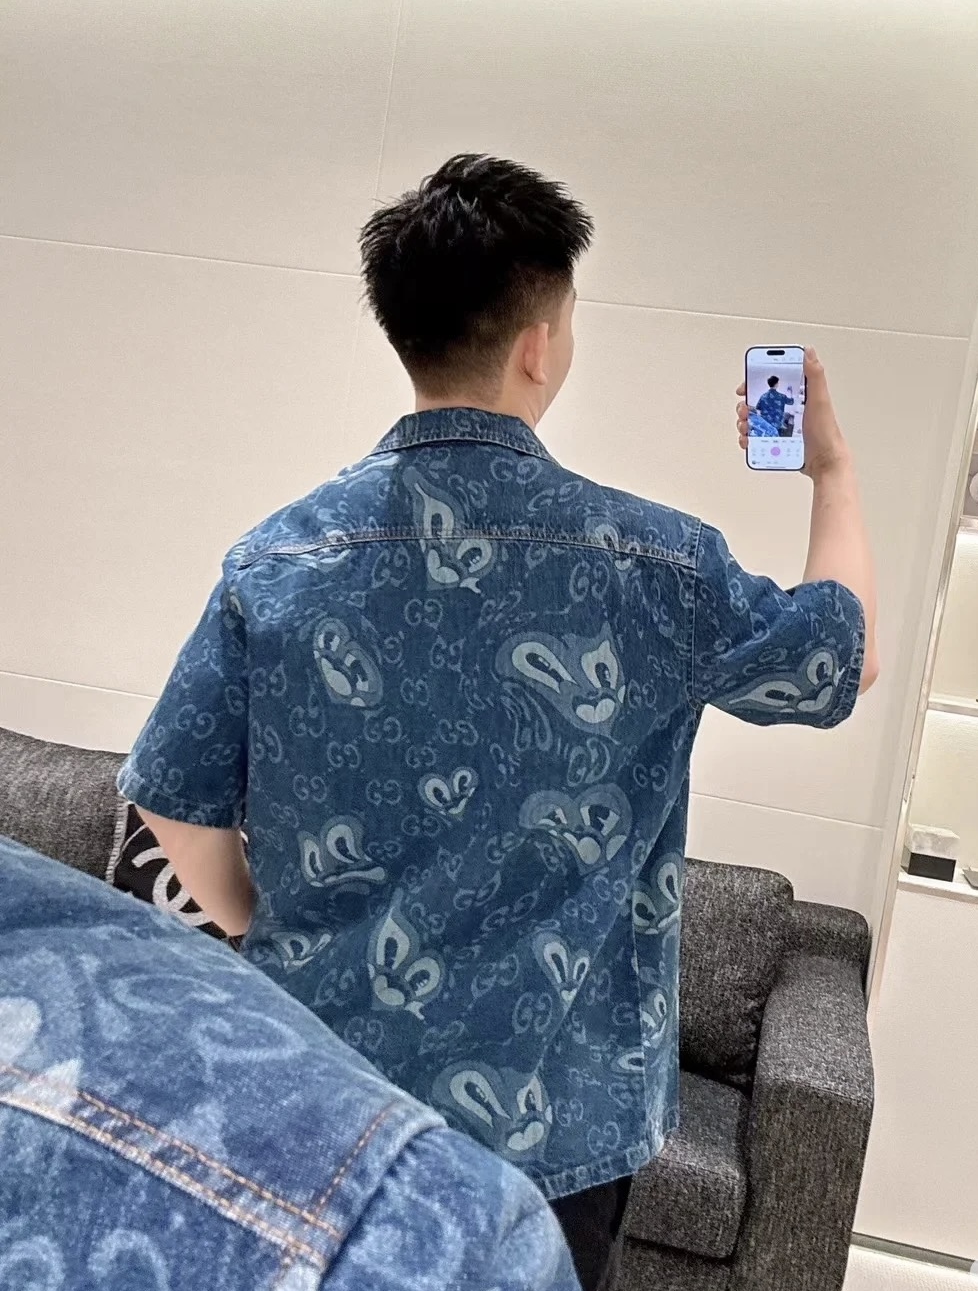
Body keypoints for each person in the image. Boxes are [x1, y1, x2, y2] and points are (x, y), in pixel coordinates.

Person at [117, 154, 879, 1291]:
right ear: (538, 343)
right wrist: (833, 471)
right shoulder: (654, 565)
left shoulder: (277, 560)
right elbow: (838, 664)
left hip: (323, 1088)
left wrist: (279, 929)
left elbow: (172, 802)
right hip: (554, 1132)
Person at [0, 835, 582, 1291]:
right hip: (540, 1089)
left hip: (349, 1039)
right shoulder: (434, 1239)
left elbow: (174, 789)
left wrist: (255, 925)